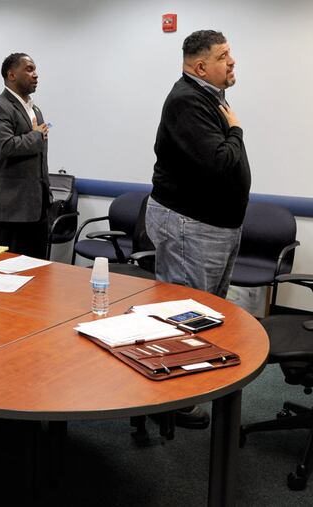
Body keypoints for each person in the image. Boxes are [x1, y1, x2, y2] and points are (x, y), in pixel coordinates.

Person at [146, 30, 251, 429]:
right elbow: (220, 162)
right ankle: (170, 399)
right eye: (224, 56)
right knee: (184, 316)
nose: (233, 62)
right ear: (200, 66)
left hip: (212, 225)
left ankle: (188, 384)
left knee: (207, 312)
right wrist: (236, 129)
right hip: (191, 225)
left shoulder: (208, 97)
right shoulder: (188, 101)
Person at [0, 53, 50, 258]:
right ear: (11, 75)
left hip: (35, 209)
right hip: (8, 211)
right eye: (29, 69)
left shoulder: (34, 109)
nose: (35, 75)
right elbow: (5, 147)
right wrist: (36, 136)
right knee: (3, 276)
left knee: (37, 275)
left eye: (35, 69)